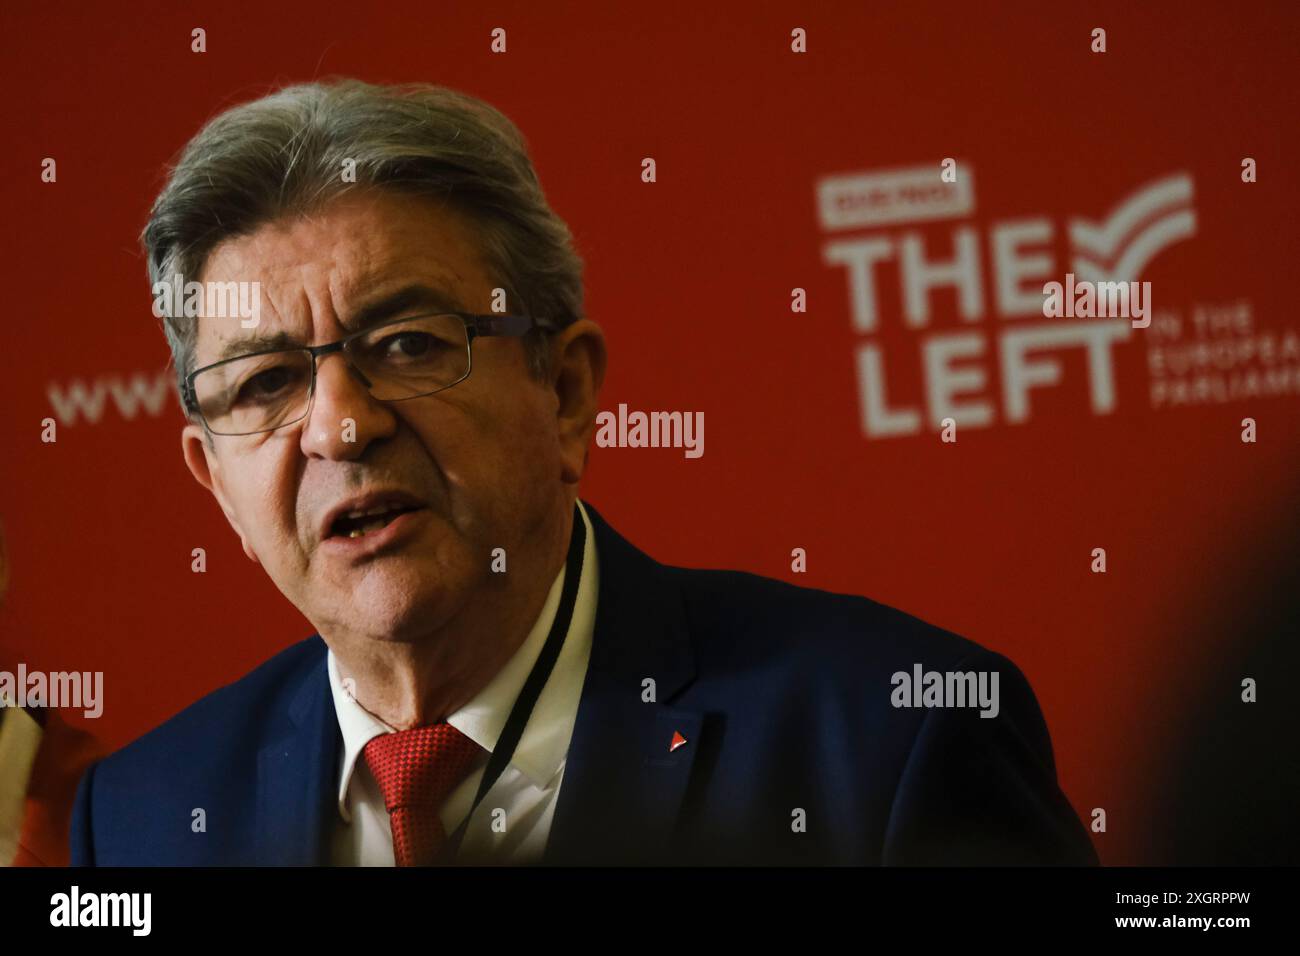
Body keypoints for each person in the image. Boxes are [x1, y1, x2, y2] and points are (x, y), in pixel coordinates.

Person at [71, 79, 1096, 866]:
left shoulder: (891, 740)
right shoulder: (137, 821)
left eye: (410, 343)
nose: (340, 426)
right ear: (214, 483)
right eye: (264, 383)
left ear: (563, 393)